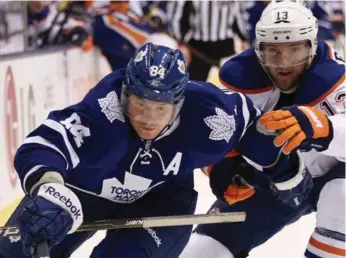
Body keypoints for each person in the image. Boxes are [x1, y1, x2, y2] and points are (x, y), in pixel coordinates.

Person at [0, 42, 308, 258]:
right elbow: (42, 144)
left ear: (179, 103)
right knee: (12, 250)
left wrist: (287, 175)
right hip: (83, 190)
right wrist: (50, 188)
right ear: (125, 93)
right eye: (140, 104)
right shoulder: (103, 110)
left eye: (160, 108)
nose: (148, 118)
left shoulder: (214, 116)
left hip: (162, 199)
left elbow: (256, 129)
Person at [180, 0, 345, 258]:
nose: (284, 62)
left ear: (313, 46)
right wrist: (221, 165)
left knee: (341, 198)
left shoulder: (334, 77)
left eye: (295, 50)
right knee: (202, 253)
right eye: (273, 51)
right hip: (273, 180)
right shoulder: (240, 78)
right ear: (258, 49)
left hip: (334, 173)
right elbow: (211, 132)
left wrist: (323, 126)